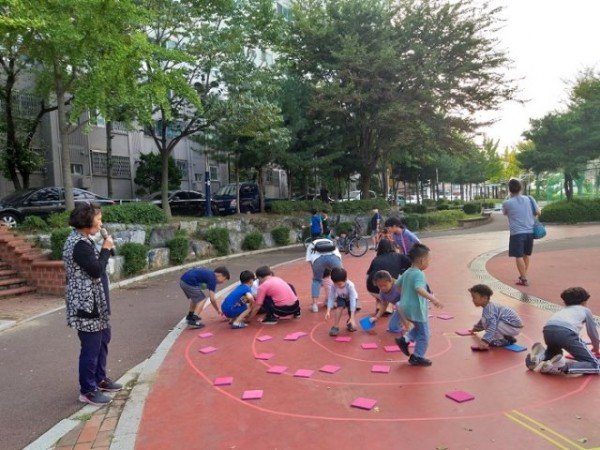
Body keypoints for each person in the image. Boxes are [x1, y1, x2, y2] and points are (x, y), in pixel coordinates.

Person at [63, 202, 120, 406]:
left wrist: (105, 247)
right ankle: (87, 390)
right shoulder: (78, 244)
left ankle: (100, 379)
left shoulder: (85, 239)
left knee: (104, 337)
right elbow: (96, 270)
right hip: (86, 304)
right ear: (87, 222)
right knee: (91, 346)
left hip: (97, 301)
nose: (101, 222)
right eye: (99, 219)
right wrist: (105, 249)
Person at [526, 287, 600, 375]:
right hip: (566, 333)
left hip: (548, 330)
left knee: (556, 353)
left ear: (565, 302)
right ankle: (560, 367)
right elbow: (592, 333)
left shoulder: (563, 310)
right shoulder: (586, 310)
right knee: (595, 365)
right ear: (584, 302)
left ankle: (539, 356)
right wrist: (596, 347)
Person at [394, 243, 444, 366]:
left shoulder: (407, 272)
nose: (429, 263)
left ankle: (404, 340)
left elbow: (397, 285)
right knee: (425, 334)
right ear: (422, 260)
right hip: (417, 309)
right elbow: (419, 288)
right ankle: (417, 356)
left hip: (405, 308)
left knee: (418, 329)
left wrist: (406, 295)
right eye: (428, 260)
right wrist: (433, 299)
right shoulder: (419, 274)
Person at [502, 178, 540, 286]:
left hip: (517, 233)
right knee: (526, 255)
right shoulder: (529, 199)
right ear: (521, 188)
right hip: (530, 232)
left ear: (509, 189)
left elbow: (505, 213)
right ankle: (523, 276)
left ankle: (523, 278)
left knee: (518, 256)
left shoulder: (507, 203)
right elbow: (538, 211)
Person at [468, 284, 523, 349]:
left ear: (485, 298)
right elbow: (483, 320)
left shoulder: (489, 309)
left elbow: (492, 325)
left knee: (490, 323)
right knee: (487, 321)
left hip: (513, 327)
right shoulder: (489, 306)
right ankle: (508, 338)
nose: (473, 300)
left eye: (474, 297)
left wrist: (485, 341)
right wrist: (475, 329)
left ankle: (501, 340)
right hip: (512, 326)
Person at [366, 239, 411, 315]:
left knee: (379, 278)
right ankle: (390, 306)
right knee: (399, 276)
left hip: (372, 288)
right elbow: (411, 266)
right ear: (392, 247)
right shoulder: (398, 256)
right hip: (387, 288)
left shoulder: (376, 259)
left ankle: (379, 304)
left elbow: (368, 274)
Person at [306, 237, 343, 312]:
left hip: (318, 259)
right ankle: (343, 300)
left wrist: (317, 273)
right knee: (340, 278)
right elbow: (338, 256)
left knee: (316, 281)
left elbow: (309, 260)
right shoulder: (330, 241)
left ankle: (315, 305)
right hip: (334, 258)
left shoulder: (312, 244)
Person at [325, 268, 358, 336]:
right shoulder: (334, 285)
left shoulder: (350, 285)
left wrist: (352, 318)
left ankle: (350, 321)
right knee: (339, 308)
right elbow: (331, 297)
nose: (338, 286)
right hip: (341, 297)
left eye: (340, 284)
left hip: (351, 299)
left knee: (354, 308)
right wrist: (328, 310)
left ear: (345, 279)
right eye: (336, 284)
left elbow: (352, 300)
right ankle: (335, 326)